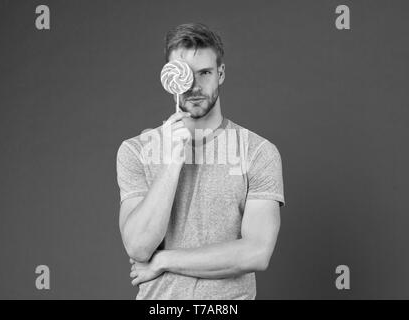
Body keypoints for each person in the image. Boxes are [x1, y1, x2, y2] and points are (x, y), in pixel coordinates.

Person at [116, 23, 285, 300]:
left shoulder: (258, 152)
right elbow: (138, 247)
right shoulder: (135, 151)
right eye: (184, 74)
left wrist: (163, 260)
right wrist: (172, 162)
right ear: (169, 78)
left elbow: (256, 252)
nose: (194, 86)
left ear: (220, 74)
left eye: (204, 73)